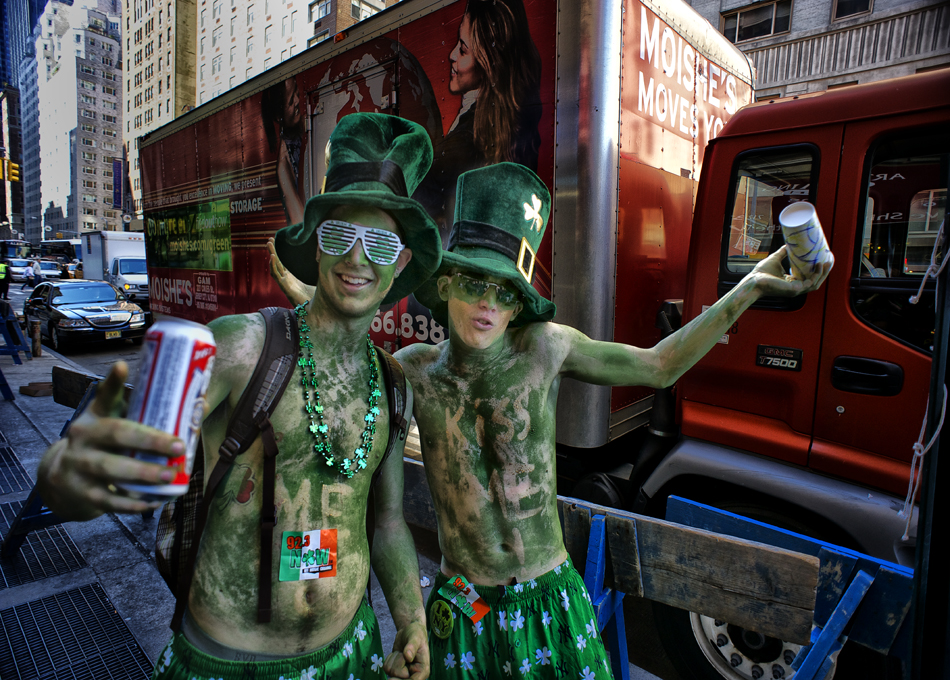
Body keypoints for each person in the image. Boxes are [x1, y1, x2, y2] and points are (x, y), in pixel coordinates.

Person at [268, 162, 833, 678]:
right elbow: (342, 371)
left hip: (551, 600)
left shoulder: (546, 349)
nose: (487, 304)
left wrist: (752, 285)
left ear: (518, 305)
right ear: (443, 287)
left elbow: (660, 366)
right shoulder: (413, 372)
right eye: (471, 284)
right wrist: (318, 301)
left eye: (503, 291)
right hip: (463, 608)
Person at [36, 113, 445, 680]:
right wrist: (73, 473)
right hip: (226, 663)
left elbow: (390, 523)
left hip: (350, 653)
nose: (357, 258)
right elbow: (124, 454)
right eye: (338, 235)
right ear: (316, 245)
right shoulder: (243, 345)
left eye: (378, 240)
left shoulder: (393, 385)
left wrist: (411, 620)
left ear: (400, 260)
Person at [413, 0, 542, 242]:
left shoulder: (468, 138)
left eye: (462, 50)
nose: (451, 55)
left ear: (488, 63)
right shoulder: (506, 126)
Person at [262, 77, 308, 226]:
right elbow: (300, 222)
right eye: (290, 102)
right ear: (278, 116)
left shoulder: (308, 123)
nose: (297, 101)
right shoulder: (284, 163)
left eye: (296, 93)